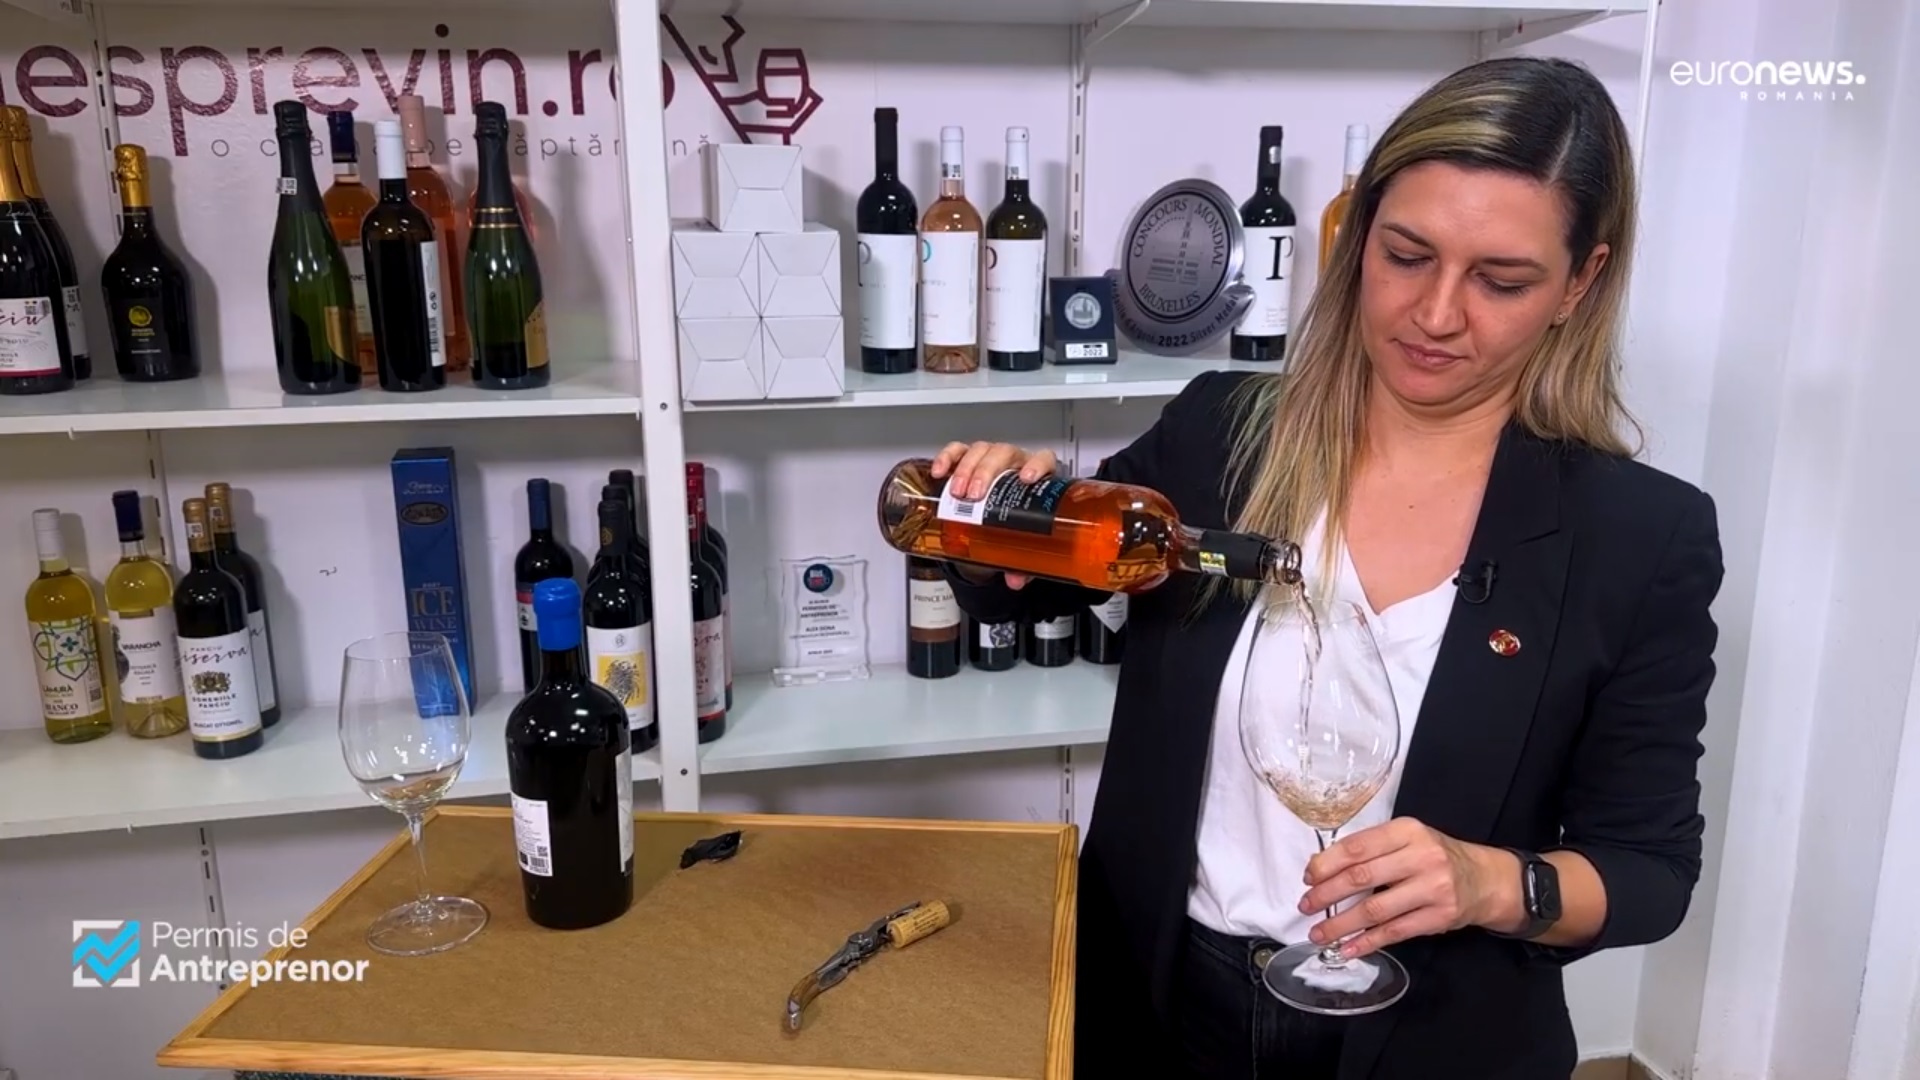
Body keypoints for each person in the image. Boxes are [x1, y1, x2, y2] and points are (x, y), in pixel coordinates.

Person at [933, 56, 1725, 1080]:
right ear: (1356, 240)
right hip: (1162, 1008)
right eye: (1406, 255)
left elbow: (1650, 872)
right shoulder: (1222, 435)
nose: (1436, 314)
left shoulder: (1640, 535)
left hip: (1438, 1040)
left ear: (1581, 281)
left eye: (1501, 281)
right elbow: (1028, 586)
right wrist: (998, 513)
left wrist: (1488, 883)